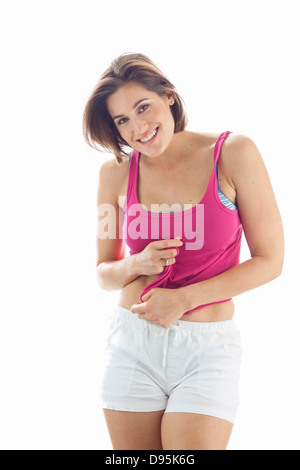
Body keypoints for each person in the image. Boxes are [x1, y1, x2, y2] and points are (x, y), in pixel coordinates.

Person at [82, 53, 284, 450]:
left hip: (206, 349)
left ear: (169, 97)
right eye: (122, 120)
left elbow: (270, 261)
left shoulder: (233, 153)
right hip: (131, 344)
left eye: (144, 107)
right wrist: (136, 263)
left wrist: (184, 299)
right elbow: (103, 272)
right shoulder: (115, 174)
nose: (138, 128)